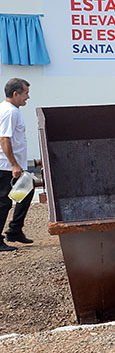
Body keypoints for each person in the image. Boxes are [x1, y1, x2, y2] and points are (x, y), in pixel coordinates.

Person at [0, 78, 34, 252]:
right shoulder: (10, 112)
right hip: (6, 166)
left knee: (27, 190)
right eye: (25, 93)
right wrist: (14, 165)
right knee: (3, 202)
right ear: (15, 94)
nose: (27, 97)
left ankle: (14, 230)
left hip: (13, 165)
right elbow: (4, 139)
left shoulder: (9, 109)